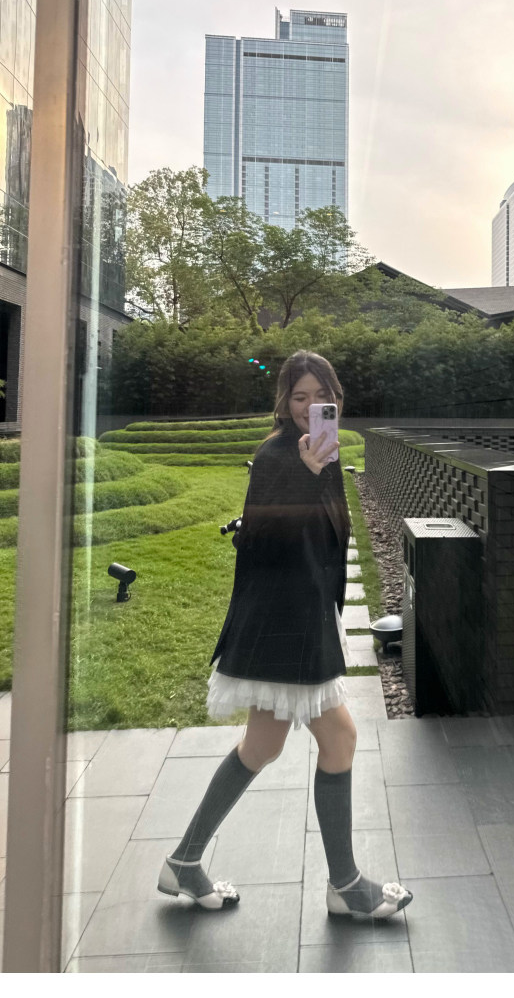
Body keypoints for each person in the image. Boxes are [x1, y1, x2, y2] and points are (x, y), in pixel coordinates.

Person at [157, 350, 412, 919]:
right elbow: (263, 543)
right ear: (284, 400)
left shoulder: (321, 452)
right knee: (340, 739)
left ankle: (184, 862)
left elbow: (328, 543)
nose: (309, 407)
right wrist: (306, 475)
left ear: (336, 400)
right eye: (299, 397)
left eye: (321, 397)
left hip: (296, 617)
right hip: (285, 625)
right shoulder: (279, 457)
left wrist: (319, 472)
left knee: (262, 746)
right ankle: (346, 885)